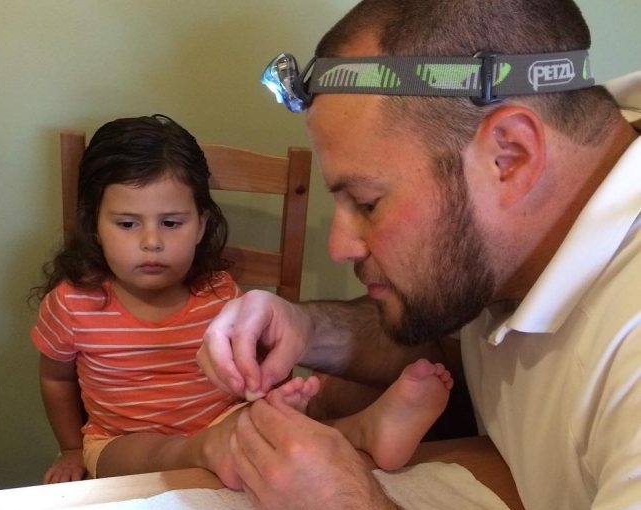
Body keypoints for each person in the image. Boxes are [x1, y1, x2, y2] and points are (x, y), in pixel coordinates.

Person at [198, 0, 641, 510]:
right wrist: (308, 327)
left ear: (510, 155)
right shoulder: (563, 169)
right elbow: (463, 336)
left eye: (366, 203)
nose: (340, 243)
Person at [30, 114, 453, 486]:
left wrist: (274, 396)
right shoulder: (72, 304)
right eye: (126, 223)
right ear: (95, 227)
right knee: (150, 452)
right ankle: (214, 449)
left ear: (200, 226)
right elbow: (56, 379)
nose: (152, 242)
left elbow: (253, 365)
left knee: (267, 428)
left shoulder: (220, 295)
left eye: (172, 222)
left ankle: (362, 430)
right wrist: (70, 448)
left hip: (223, 424)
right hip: (121, 445)